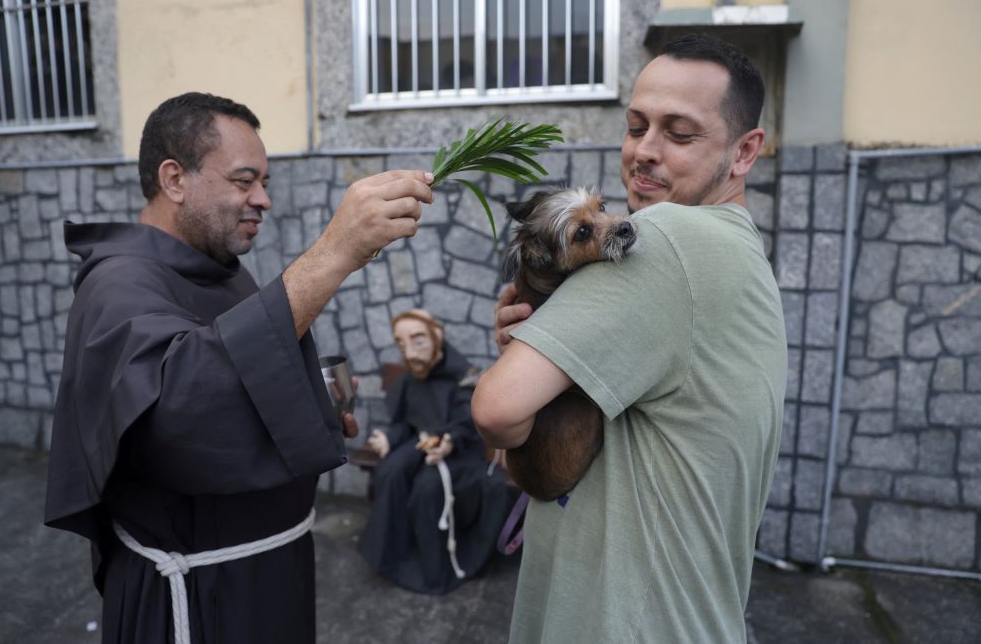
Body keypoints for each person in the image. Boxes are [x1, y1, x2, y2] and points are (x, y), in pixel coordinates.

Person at [43, 92, 434, 643]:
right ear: (175, 179)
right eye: (243, 180)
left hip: (266, 576)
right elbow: (184, 412)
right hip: (199, 598)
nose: (262, 200)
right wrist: (333, 253)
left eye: (265, 183)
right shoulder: (118, 285)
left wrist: (310, 411)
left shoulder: (220, 270)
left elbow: (245, 388)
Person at [472, 34, 788, 642]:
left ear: (745, 152)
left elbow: (497, 410)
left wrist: (514, 384)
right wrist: (544, 352)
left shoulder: (668, 239)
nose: (644, 152)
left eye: (679, 133)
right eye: (636, 125)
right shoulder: (741, 251)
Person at [358, 309, 512, 594]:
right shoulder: (411, 377)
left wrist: (449, 441)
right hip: (420, 442)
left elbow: (467, 424)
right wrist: (389, 440)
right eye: (401, 343)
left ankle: (432, 568)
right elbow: (405, 421)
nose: (410, 351)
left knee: (428, 488)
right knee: (390, 471)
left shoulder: (464, 376)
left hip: (460, 453)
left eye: (417, 341)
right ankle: (393, 554)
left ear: (436, 336)